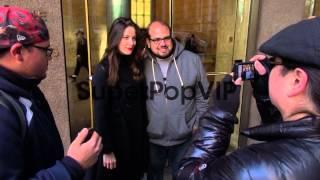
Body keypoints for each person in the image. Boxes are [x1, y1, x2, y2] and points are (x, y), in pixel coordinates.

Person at [176, 17, 320, 179]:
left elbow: (187, 174)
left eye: (274, 62)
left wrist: (218, 115)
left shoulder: (247, 167)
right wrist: (266, 94)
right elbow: (292, 137)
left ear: (297, 80)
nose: (269, 68)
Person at [0, 6, 103, 179]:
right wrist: (72, 165)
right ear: (18, 52)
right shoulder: (4, 111)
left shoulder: (27, 86)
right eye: (45, 50)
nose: (49, 58)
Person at [144, 20, 209, 180]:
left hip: (184, 138)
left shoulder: (192, 60)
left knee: (181, 176)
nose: (163, 43)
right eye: (156, 40)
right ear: (148, 42)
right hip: (152, 138)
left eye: (166, 38)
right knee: (154, 176)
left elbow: (203, 96)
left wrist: (197, 124)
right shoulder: (140, 63)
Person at [92, 17, 148, 180]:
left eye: (133, 38)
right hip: (116, 144)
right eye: (126, 38)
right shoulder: (103, 70)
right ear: (115, 38)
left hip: (136, 139)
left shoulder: (135, 64)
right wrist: (107, 149)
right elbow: (100, 113)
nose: (131, 42)